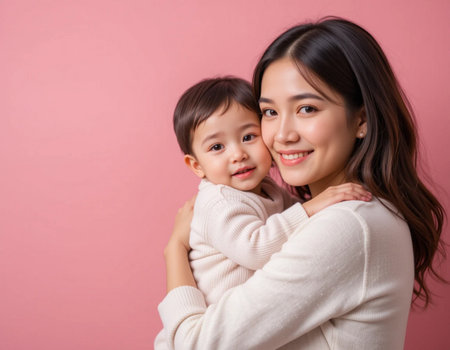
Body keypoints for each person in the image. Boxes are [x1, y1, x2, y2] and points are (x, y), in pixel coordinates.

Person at [157, 17, 445, 349]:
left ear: (362, 120)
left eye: (307, 108)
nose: (282, 135)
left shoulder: (349, 225)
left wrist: (175, 251)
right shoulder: (336, 215)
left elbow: (192, 346)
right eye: (269, 113)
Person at [154, 77, 371, 349]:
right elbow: (255, 249)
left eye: (248, 137)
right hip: (195, 332)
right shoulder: (218, 202)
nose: (238, 154)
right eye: (217, 147)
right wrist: (313, 206)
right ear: (196, 165)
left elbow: (292, 219)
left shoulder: (266, 188)